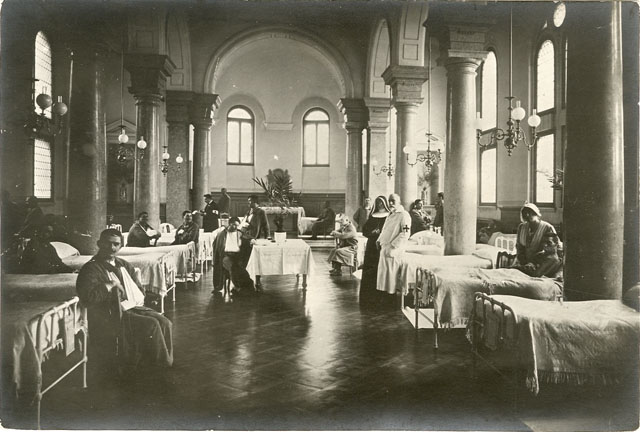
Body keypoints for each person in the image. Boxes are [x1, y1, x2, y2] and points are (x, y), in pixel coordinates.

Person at [76, 229, 173, 380]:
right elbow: (88, 298)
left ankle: (166, 361)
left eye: (116, 244)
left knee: (165, 322)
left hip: (131, 307)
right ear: (99, 244)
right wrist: (109, 285)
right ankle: (158, 366)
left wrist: (135, 294)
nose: (112, 248)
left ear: (121, 246)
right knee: (152, 324)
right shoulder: (90, 268)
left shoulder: (123, 265)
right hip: (109, 313)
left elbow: (138, 288)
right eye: (107, 243)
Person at [376, 194, 411, 304]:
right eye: (389, 201)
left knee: (391, 275)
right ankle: (384, 295)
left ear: (399, 202)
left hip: (394, 250)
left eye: (393, 201)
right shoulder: (390, 214)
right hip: (384, 247)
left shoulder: (404, 215)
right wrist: (379, 240)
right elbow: (385, 230)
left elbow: (405, 233)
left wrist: (393, 246)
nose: (390, 203)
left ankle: (391, 298)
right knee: (384, 275)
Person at [212, 217, 255, 295]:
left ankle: (246, 287)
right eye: (233, 225)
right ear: (229, 224)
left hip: (238, 256)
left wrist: (251, 240)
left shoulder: (240, 233)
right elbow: (217, 248)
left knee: (240, 268)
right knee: (233, 267)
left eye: (237, 226)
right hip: (225, 256)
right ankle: (238, 287)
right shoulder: (222, 235)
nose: (235, 227)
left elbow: (248, 238)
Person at [359, 196, 390, 304]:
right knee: (370, 269)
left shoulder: (389, 216)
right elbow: (365, 230)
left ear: (385, 203)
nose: (380, 204)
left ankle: (382, 296)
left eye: (381, 202)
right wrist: (372, 232)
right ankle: (369, 296)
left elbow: (391, 230)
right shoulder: (372, 216)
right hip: (372, 245)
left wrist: (381, 233)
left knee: (382, 268)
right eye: (378, 202)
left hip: (383, 245)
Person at [240, 195, 270, 269]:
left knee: (254, 258)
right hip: (246, 237)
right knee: (245, 257)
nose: (248, 203)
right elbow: (244, 222)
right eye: (248, 201)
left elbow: (266, 225)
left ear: (255, 202)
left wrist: (267, 237)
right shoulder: (248, 212)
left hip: (254, 237)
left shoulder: (261, 212)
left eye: (250, 201)